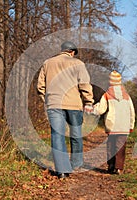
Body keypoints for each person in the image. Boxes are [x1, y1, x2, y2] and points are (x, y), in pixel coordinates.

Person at [37, 41, 94, 179]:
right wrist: (88, 101)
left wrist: (48, 100)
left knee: (57, 136)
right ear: (72, 52)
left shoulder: (47, 63)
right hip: (73, 104)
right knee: (76, 135)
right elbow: (84, 84)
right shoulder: (78, 64)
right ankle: (76, 164)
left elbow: (40, 87)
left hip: (54, 105)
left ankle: (62, 170)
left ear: (62, 50)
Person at [93, 70, 135, 175]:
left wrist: (93, 108)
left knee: (111, 145)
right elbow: (132, 111)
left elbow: (101, 110)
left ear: (110, 82)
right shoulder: (126, 95)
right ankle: (119, 168)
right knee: (121, 146)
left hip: (112, 125)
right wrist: (131, 124)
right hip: (124, 125)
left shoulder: (107, 94)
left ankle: (111, 165)